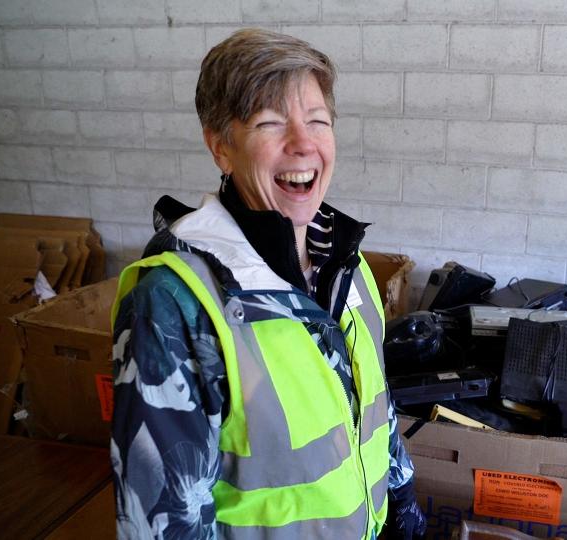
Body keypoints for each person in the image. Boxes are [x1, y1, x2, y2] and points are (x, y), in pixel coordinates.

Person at [109, 29, 426, 539]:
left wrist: (401, 492)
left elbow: (372, 404)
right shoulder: (177, 301)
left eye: (318, 121)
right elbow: (162, 518)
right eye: (270, 123)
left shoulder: (350, 265)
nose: (303, 144)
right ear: (221, 148)